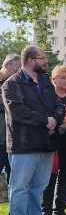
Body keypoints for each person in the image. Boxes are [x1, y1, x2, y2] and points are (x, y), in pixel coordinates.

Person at [3, 46, 63, 215]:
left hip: (46, 144)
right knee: (19, 187)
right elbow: (18, 112)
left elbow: (59, 105)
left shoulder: (45, 82)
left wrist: (56, 118)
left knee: (38, 187)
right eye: (42, 58)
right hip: (23, 144)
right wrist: (46, 120)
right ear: (30, 60)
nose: (46, 61)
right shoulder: (12, 84)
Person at [42, 65, 66, 215]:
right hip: (53, 141)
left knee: (65, 176)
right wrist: (64, 121)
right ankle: (46, 210)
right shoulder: (48, 95)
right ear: (54, 79)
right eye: (62, 77)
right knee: (50, 176)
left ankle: (60, 209)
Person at [0, 54, 22, 183]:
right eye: (16, 68)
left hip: (10, 141)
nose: (18, 72)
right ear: (7, 65)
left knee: (13, 180)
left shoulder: (14, 85)